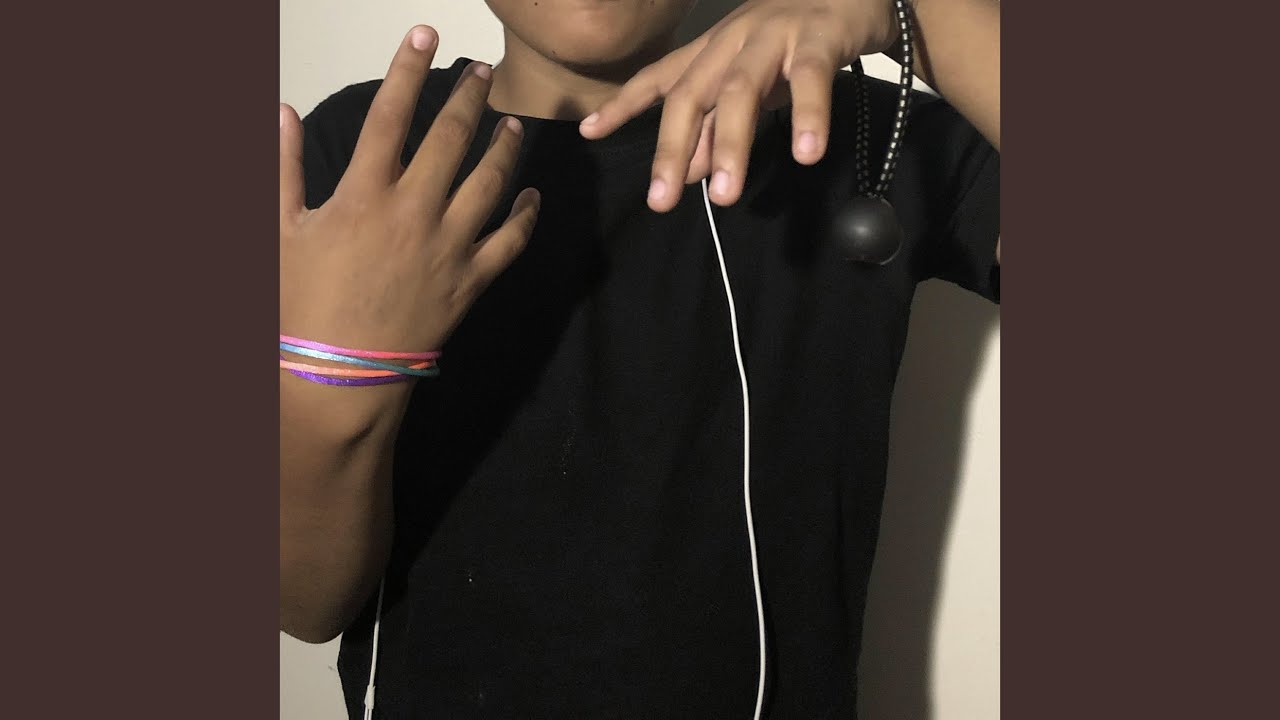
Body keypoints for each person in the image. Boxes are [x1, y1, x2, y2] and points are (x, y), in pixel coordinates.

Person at [279, 0, 999, 717]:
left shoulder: (872, 138)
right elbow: (303, 606)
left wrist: (915, 13)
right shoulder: (361, 155)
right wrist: (334, 383)